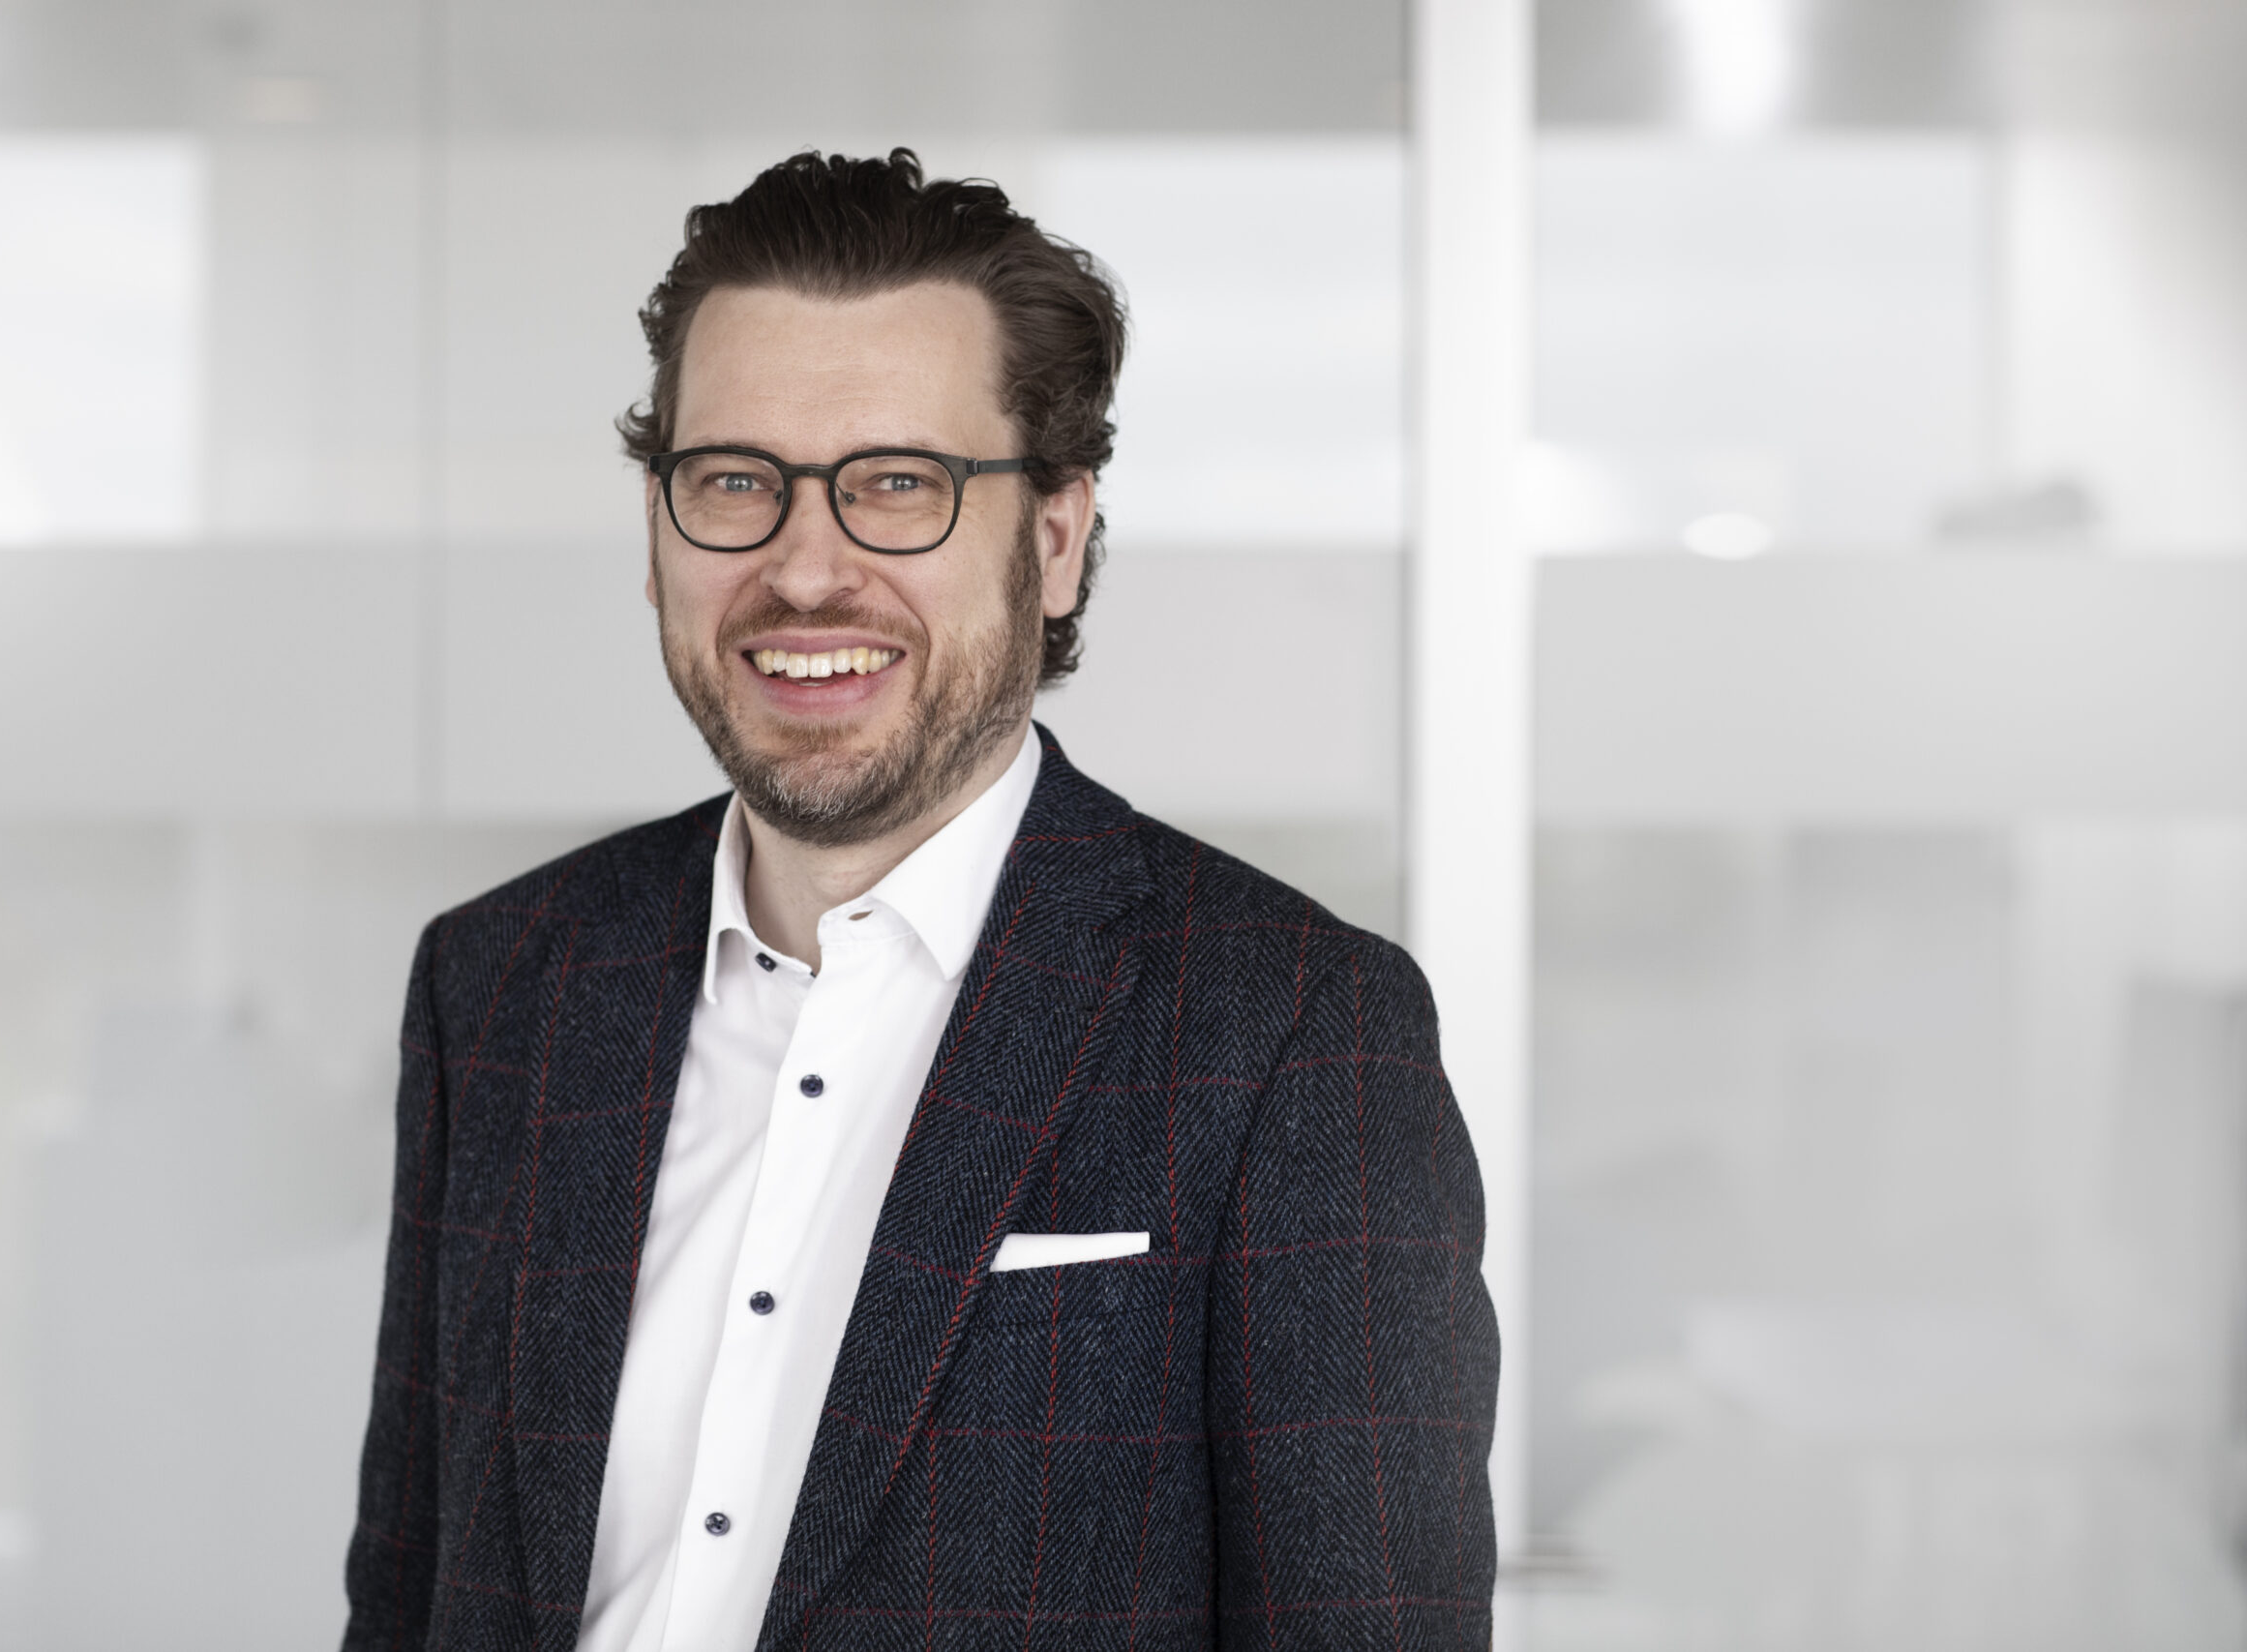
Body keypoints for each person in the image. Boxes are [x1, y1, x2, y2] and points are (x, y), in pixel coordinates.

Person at [341, 148, 1497, 1652]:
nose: (805, 570)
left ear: (1059, 537)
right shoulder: (500, 984)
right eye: (735, 483)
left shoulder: (1290, 1033)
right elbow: (411, 1592)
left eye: (900, 485)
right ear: (656, 530)